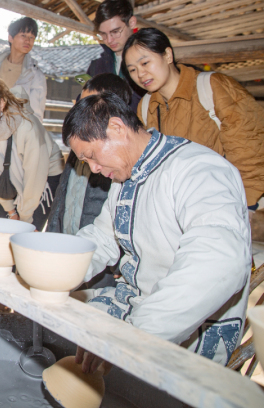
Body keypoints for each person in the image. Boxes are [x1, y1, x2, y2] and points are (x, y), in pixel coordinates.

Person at [64, 93, 251, 370]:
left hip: (182, 321)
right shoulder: (126, 174)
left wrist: (132, 338)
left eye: (91, 156)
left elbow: (218, 262)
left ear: (116, 128)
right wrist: (53, 271)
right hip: (134, 303)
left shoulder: (198, 169)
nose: (93, 168)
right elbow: (103, 237)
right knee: (59, 326)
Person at [123, 28, 264, 210]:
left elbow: (250, 150)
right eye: (133, 70)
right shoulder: (145, 107)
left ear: (167, 55)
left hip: (227, 202)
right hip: (180, 208)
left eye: (145, 63)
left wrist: (246, 205)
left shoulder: (213, 87)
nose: (140, 74)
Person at [0, 75, 64, 229]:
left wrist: (25, 218)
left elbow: (34, 177)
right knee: (6, 231)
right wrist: (10, 210)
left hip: (43, 175)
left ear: (2, 103)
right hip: (6, 175)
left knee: (27, 234)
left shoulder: (26, 126)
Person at [47, 74, 133, 235]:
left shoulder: (115, 167)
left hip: (95, 249)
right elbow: (60, 200)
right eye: (81, 103)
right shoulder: (78, 148)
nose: (82, 112)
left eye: (91, 105)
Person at [0, 17, 47, 121]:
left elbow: (36, 114)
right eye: (23, 35)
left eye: (31, 37)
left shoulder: (35, 76)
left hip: (18, 133)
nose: (28, 40)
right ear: (10, 38)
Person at [87, 0, 142, 109]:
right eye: (103, 34)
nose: (109, 40)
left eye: (115, 31)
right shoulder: (97, 61)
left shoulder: (146, 57)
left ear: (131, 22)